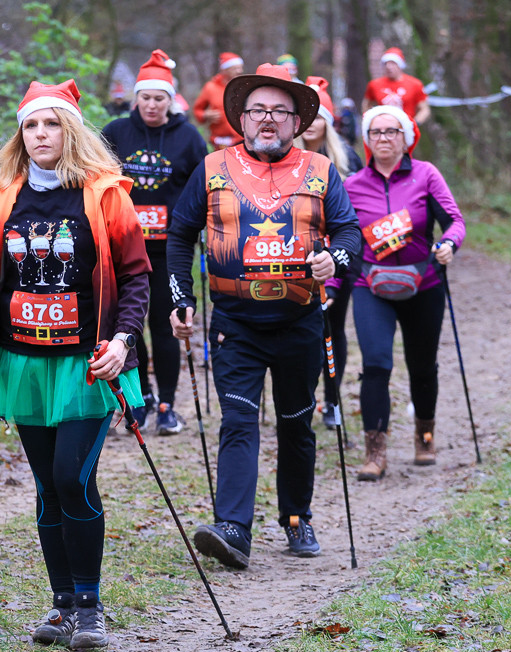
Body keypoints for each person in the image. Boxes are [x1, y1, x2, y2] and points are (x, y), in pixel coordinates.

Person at [0, 79, 150, 649]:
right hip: (25, 362)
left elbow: (135, 276)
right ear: (20, 134)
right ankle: (61, 606)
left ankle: (91, 606)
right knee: (47, 488)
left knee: (71, 479)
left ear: (70, 130)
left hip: (89, 362)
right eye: (31, 125)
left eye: (51, 124)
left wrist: (125, 340)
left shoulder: (104, 195)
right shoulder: (4, 196)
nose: (40, 134)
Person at [167, 64, 362, 570]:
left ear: (297, 121)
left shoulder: (320, 169)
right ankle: (233, 527)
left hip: (300, 321)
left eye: (279, 111)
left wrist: (332, 261)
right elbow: (178, 235)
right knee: (237, 420)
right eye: (258, 111)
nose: (268, 120)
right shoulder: (211, 168)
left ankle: (297, 517)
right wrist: (179, 296)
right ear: (242, 119)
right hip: (236, 324)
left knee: (297, 423)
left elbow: (349, 235)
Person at [344, 105, 465, 480]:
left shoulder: (426, 175)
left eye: (391, 131)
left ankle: (424, 435)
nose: (383, 138)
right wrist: (332, 285)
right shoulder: (352, 185)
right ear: (367, 140)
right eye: (376, 132)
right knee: (376, 364)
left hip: (423, 283)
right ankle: (375, 453)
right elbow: (342, 238)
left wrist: (448, 244)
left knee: (422, 366)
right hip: (370, 285)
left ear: (406, 137)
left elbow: (455, 221)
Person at [102, 49, 208, 434]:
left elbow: (204, 186)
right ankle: (139, 398)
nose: (151, 104)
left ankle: (167, 404)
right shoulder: (116, 132)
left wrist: (200, 226)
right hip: (124, 247)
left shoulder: (188, 137)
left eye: (158, 98)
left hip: (170, 249)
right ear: (136, 98)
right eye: (145, 97)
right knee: (128, 327)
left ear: (170, 100)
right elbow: (97, 178)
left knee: (166, 326)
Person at [299, 76, 365, 429]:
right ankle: (303, 397)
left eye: (319, 118)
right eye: (306, 119)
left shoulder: (347, 158)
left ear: (328, 122)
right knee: (304, 329)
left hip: (339, 257)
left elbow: (358, 213)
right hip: (297, 256)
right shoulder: (286, 157)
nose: (312, 126)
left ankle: (332, 399)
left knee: (333, 326)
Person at [363, 47, 430, 124]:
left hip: (406, 127)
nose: (388, 67)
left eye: (393, 63)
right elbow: (366, 105)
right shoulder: (374, 84)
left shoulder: (415, 84)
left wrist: (414, 123)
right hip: (383, 129)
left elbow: (425, 109)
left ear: (400, 65)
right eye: (386, 63)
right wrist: (370, 122)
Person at [194, 52, 245, 151]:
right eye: (235, 68)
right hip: (219, 142)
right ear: (224, 70)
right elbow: (197, 111)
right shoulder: (210, 87)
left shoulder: (243, 86)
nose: (240, 71)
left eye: (241, 68)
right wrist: (205, 115)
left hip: (241, 139)